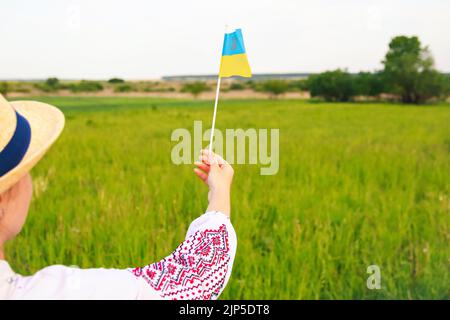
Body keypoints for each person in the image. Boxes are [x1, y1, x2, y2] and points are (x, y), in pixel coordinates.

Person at [0, 94, 237, 299]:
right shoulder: (61, 293)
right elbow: (195, 279)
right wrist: (220, 191)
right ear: (4, 199)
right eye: (27, 170)